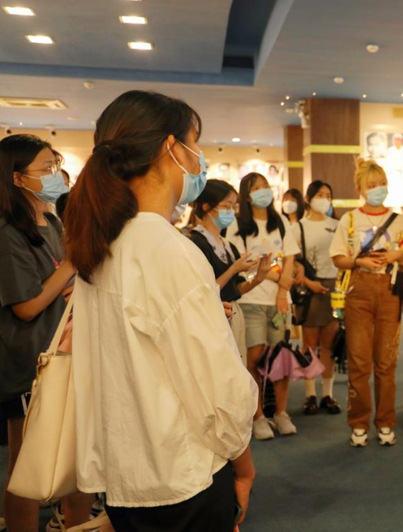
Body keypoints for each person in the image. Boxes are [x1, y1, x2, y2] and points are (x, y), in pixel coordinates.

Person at [64, 90, 257, 529]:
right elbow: (217, 387)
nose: (200, 159)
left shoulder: (106, 241)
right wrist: (244, 465)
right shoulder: (166, 248)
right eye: (195, 143)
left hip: (126, 474)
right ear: (172, 148)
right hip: (183, 475)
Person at [0, 134, 89, 530]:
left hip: (67, 351)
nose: (55, 175)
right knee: (27, 465)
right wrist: (71, 265)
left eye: (55, 166)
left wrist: (71, 277)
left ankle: (74, 524)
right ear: (18, 178)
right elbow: (27, 306)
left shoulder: (51, 221)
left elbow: (60, 284)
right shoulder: (8, 233)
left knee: (77, 456)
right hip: (29, 362)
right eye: (46, 169)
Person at [330, 158, 403, 447]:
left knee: (386, 361)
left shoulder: (398, 219)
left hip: (389, 291)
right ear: (360, 189)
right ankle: (358, 422)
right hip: (359, 290)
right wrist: (359, 261)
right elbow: (338, 258)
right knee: (358, 361)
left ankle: (386, 421)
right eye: (372, 185)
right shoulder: (349, 219)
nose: (378, 189)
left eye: (382, 184)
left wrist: (396, 255)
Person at [227, 173, 300, 440]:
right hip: (251, 300)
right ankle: (257, 415)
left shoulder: (280, 221)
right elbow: (244, 263)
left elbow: (289, 258)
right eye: (257, 188)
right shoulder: (236, 225)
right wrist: (276, 277)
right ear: (247, 195)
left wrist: (282, 291)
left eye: (266, 187)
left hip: (279, 301)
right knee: (254, 357)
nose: (263, 192)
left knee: (280, 357)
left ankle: (280, 412)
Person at [190, 179, 273, 364]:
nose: (231, 212)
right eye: (226, 206)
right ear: (207, 206)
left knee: (240, 364)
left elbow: (236, 289)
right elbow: (203, 289)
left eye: (233, 207)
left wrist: (259, 277)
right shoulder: (196, 243)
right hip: (214, 313)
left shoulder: (227, 245)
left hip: (234, 311)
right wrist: (234, 268)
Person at [298, 180, 341, 416]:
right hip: (310, 289)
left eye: (328, 195)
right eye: (320, 195)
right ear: (308, 198)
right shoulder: (298, 227)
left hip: (334, 288)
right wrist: (308, 283)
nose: (324, 199)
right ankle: (310, 394)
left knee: (329, 344)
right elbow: (292, 263)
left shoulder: (337, 225)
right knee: (309, 344)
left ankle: (328, 394)